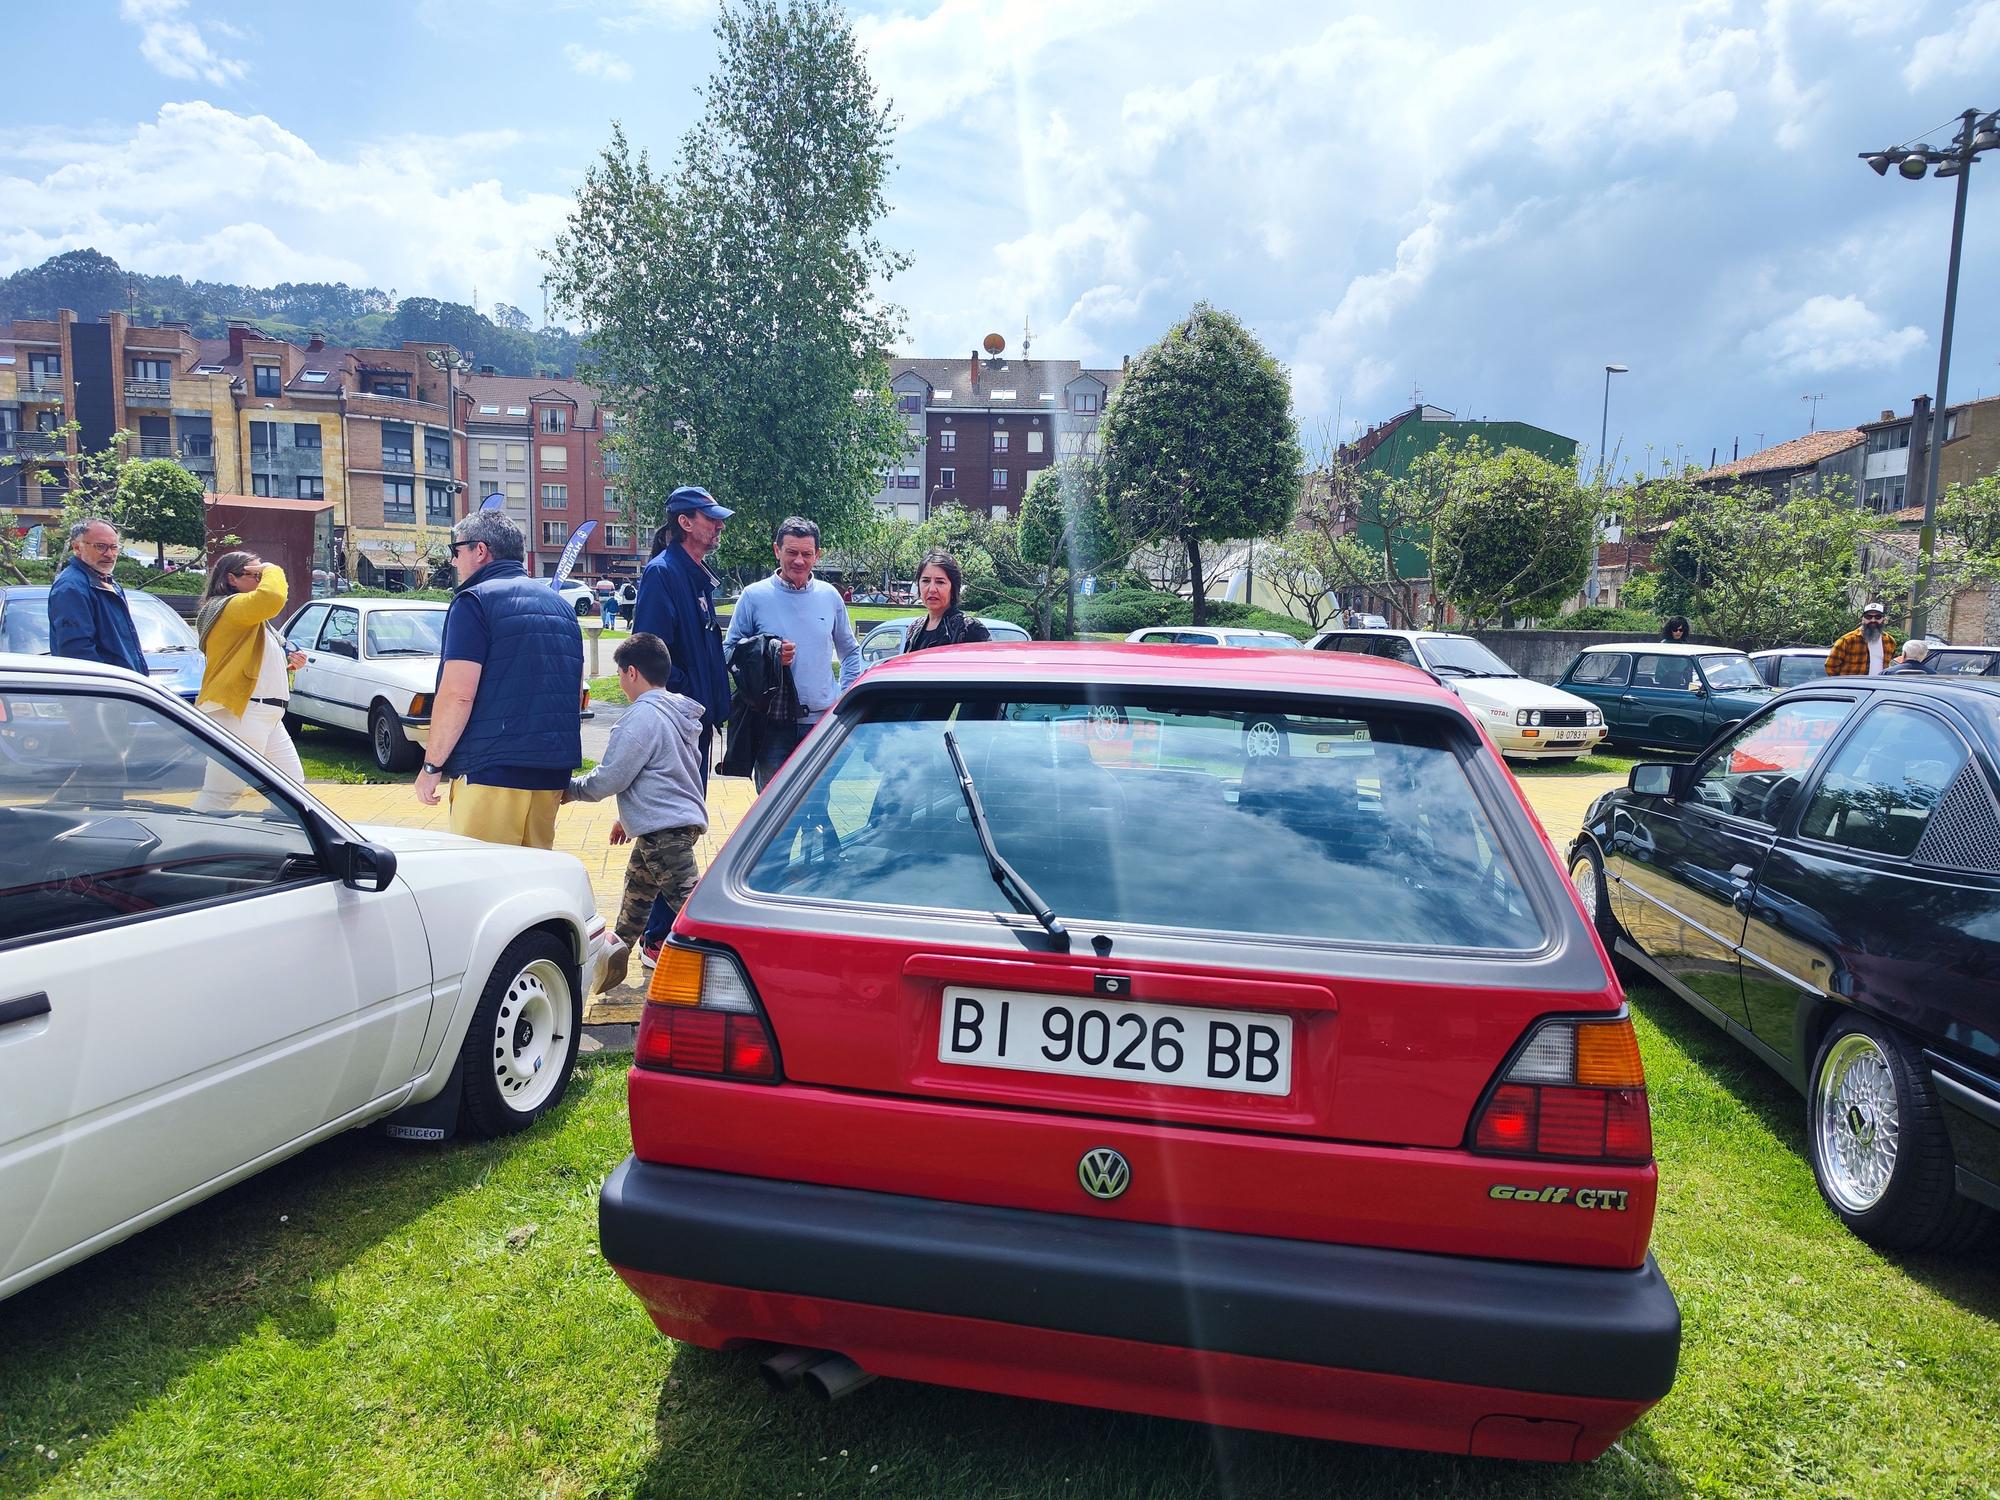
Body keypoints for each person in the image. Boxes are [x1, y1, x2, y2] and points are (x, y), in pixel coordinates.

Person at [414, 510, 584, 849]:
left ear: (480, 550)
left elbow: (458, 694)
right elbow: (574, 690)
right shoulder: (561, 607)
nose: (453, 560)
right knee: (533, 885)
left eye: (456, 550)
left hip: (491, 771)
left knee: (483, 883)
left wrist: (432, 765)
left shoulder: (473, 602)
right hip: (549, 772)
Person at [564, 632, 708, 993]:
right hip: (672, 824)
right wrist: (627, 818)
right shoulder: (676, 710)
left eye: (617, 673)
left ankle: (733, 970)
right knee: (635, 903)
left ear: (631, 672)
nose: (617, 680)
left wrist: (569, 791)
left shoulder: (641, 717)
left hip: (664, 832)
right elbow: (665, 772)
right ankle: (612, 967)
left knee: (695, 910)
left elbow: (610, 777)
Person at [630, 485, 735, 966]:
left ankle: (649, 931)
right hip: (679, 723)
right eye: (709, 517)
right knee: (674, 828)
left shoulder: (695, 575)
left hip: (696, 721)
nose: (718, 525)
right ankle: (658, 935)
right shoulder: (663, 574)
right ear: (685, 522)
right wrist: (690, 695)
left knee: (675, 826)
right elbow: (651, 651)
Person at [723, 515, 861, 790]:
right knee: (773, 813)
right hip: (773, 725)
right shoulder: (753, 596)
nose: (799, 561)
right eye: (792, 552)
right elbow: (728, 652)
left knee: (818, 806)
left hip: (821, 724)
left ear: (817, 555)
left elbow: (851, 653)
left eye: (807, 554)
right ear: (777, 550)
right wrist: (767, 654)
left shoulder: (830, 596)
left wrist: (844, 699)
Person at [192, 551, 307, 810]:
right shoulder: (227, 607)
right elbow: (272, 597)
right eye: (255, 575)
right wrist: (272, 566)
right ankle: (184, 843)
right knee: (220, 794)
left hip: (264, 714)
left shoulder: (250, 620)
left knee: (292, 791)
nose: (261, 579)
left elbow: (256, 660)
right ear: (231, 579)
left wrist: (287, 662)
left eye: (262, 575)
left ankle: (279, 844)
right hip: (242, 712)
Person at [47, 517, 145, 674]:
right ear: (77, 547)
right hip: (100, 691)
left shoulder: (106, 581)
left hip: (123, 688)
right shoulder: (71, 587)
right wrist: (114, 686)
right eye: (101, 547)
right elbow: (77, 652)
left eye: (114, 547)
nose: (109, 554)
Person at [902, 549, 991, 653]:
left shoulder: (970, 629)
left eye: (940, 582)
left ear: (953, 587)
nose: (932, 589)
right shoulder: (914, 628)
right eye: (925, 581)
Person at [1825, 602, 1898, 678]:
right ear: (1863, 618)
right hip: (1853, 688)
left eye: (1878, 617)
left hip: (1878, 688)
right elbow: (1830, 666)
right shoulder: (1847, 640)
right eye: (1868, 617)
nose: (1873, 620)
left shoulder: (1890, 642)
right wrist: (1842, 685)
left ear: (1883, 619)